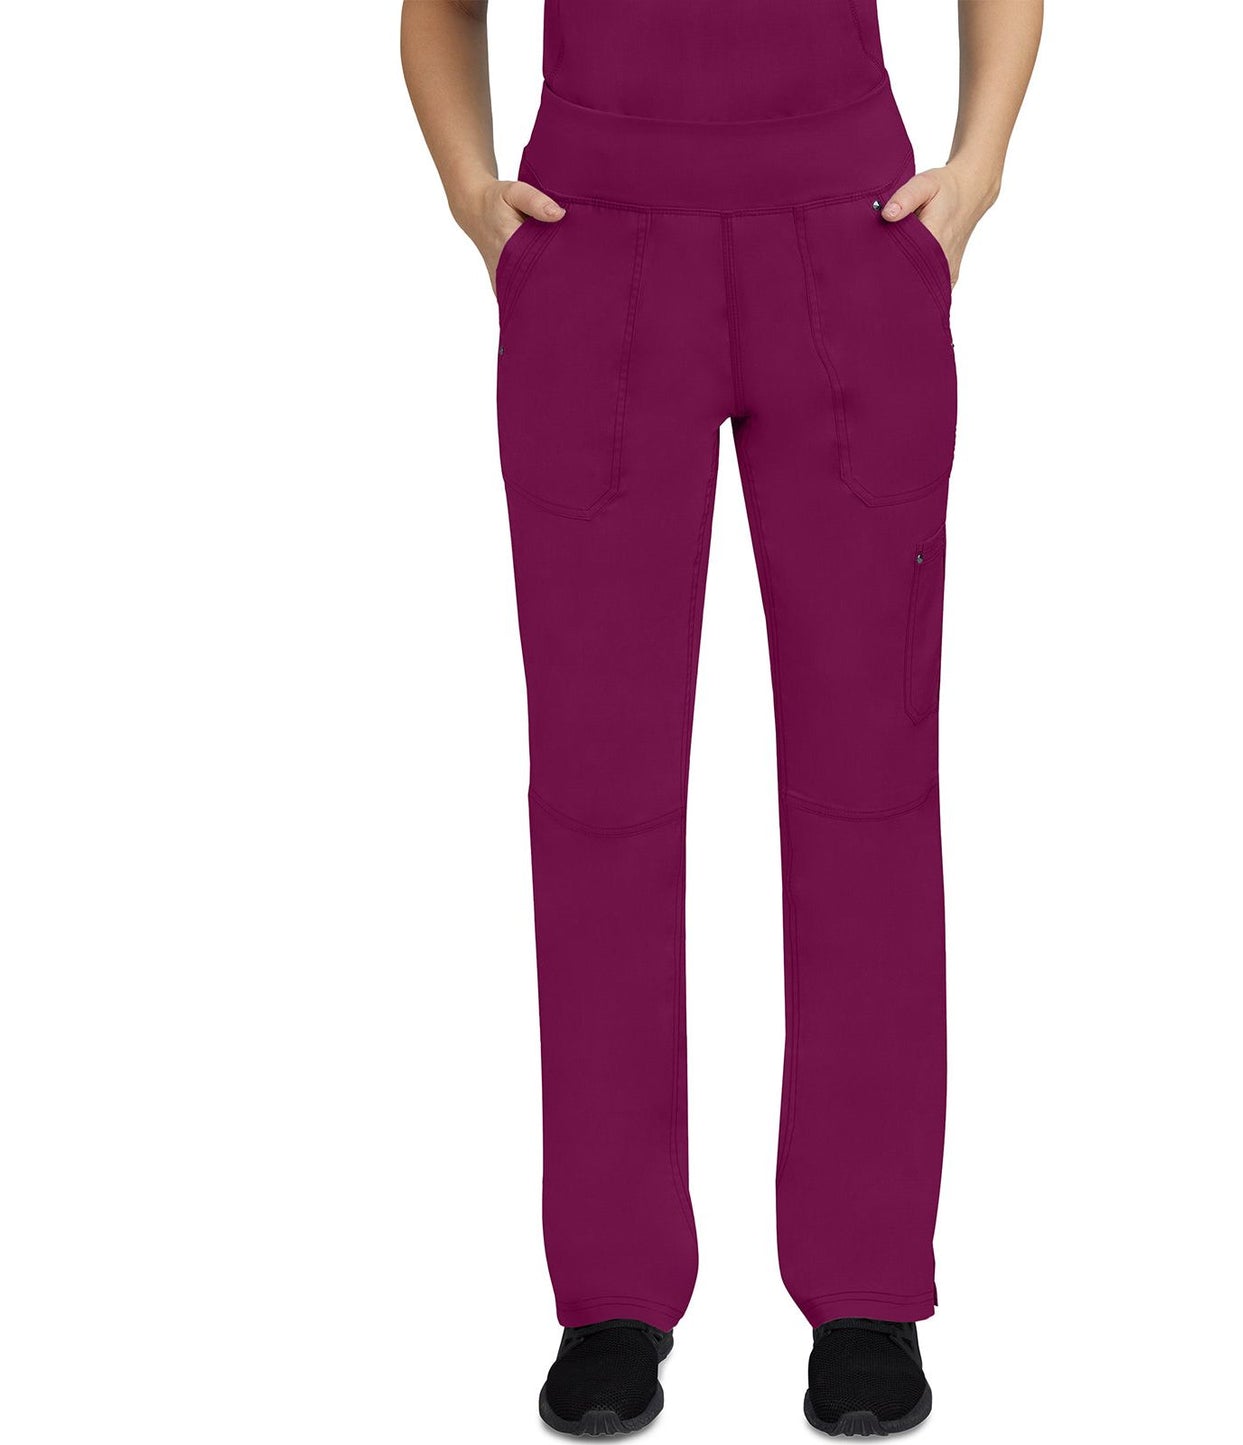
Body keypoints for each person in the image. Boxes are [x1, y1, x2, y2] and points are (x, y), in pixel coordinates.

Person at [401, 0, 1041, 1433]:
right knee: (598, 797)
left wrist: (979, 166)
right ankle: (610, 1292)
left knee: (870, 783)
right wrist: (470, 193)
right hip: (593, 244)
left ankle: (867, 1287)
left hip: (850, 237)